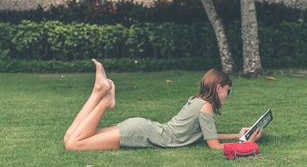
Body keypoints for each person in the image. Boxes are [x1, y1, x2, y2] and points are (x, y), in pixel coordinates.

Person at [63, 59, 262, 151]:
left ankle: (98, 91)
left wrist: (237, 136)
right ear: (219, 88)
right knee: (74, 144)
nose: (228, 95)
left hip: (142, 128)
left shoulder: (198, 101)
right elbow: (214, 146)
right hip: (141, 132)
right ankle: (105, 99)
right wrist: (245, 143)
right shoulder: (206, 106)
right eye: (228, 90)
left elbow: (207, 136)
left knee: (70, 138)